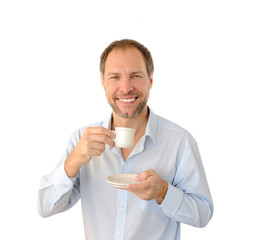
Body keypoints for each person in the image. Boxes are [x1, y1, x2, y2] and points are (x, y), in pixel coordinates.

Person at [38, 39, 213, 240]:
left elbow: (203, 214)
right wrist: (73, 162)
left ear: (151, 80)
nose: (125, 87)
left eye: (135, 76)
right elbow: (45, 207)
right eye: (115, 77)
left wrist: (163, 192)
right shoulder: (81, 140)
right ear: (102, 81)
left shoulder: (179, 142)